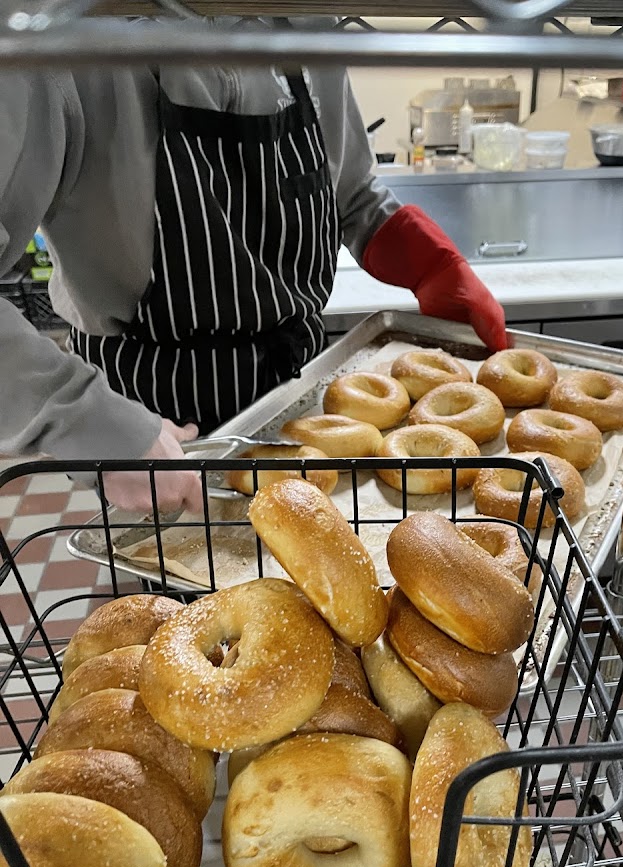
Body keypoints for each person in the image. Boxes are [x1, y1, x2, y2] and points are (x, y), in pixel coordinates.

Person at [0, 35, 507, 514]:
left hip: (304, 393)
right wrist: (87, 418)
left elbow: (349, 191)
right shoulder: (63, 43)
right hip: (158, 422)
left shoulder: (302, 23)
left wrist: (428, 261)